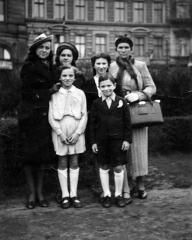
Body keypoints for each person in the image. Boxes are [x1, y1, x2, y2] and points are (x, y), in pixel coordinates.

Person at [109, 35, 156, 199]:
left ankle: (141, 185)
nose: (123, 50)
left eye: (126, 47)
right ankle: (125, 186)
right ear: (116, 49)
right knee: (123, 148)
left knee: (139, 148)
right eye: (120, 47)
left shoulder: (140, 65)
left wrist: (140, 95)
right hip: (119, 111)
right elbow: (106, 87)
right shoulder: (112, 67)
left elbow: (151, 86)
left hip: (137, 110)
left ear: (131, 49)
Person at [19, 33, 57, 209]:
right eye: (41, 47)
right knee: (29, 157)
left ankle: (40, 193)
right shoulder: (28, 67)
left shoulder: (50, 67)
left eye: (47, 48)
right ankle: (32, 194)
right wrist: (49, 91)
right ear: (35, 49)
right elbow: (26, 93)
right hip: (30, 116)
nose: (44, 50)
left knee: (41, 158)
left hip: (44, 116)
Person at [89, 74, 132, 208]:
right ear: (99, 87)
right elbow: (92, 124)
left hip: (118, 140)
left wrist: (126, 139)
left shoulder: (121, 101)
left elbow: (127, 123)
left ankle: (118, 195)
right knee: (104, 166)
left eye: (109, 85)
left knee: (118, 166)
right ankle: (107, 194)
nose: (106, 88)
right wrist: (93, 141)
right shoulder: (96, 103)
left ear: (114, 86)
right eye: (103, 86)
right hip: (102, 141)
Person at [48, 66, 87, 209]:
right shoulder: (54, 94)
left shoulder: (80, 93)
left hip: (76, 129)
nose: (67, 78)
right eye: (64, 76)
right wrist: (60, 133)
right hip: (61, 129)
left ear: (74, 77)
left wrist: (78, 133)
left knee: (74, 161)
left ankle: (74, 195)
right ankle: (65, 195)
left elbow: (84, 115)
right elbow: (51, 117)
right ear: (60, 77)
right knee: (62, 161)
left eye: (70, 75)